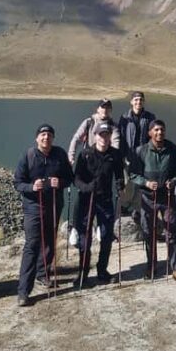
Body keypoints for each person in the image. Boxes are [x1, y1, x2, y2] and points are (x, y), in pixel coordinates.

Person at [13, 124, 73, 307]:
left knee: (49, 242)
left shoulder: (60, 154)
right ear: (37, 138)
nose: (46, 138)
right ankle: (23, 291)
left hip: (54, 205)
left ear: (53, 138)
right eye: (43, 135)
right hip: (33, 207)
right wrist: (32, 187)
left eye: (49, 135)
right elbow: (17, 182)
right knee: (32, 246)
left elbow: (70, 178)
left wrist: (60, 182)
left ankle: (43, 273)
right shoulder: (28, 155)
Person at [128, 119, 176, 284]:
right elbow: (133, 174)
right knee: (149, 233)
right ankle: (152, 265)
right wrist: (146, 183)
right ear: (149, 133)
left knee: (172, 233)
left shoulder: (173, 150)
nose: (159, 133)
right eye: (156, 130)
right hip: (148, 198)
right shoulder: (141, 151)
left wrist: (174, 181)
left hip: (168, 198)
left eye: (162, 130)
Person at [73, 122, 125, 286]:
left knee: (106, 236)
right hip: (86, 200)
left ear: (110, 136)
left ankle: (102, 271)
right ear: (95, 136)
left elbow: (119, 175)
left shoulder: (115, 155)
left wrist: (120, 184)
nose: (104, 138)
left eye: (107, 135)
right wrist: (87, 187)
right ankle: (83, 274)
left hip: (105, 200)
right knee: (85, 239)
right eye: (101, 135)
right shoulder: (85, 154)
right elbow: (76, 179)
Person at [67, 98, 121, 246]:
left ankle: (101, 226)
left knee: (106, 194)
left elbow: (116, 141)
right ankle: (75, 228)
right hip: (87, 162)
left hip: (104, 161)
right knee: (81, 197)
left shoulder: (113, 126)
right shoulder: (88, 122)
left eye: (108, 108)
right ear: (97, 109)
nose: (105, 110)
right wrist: (71, 157)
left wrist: (113, 156)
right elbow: (76, 138)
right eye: (102, 107)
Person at [119, 91, 157, 214]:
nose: (138, 102)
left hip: (144, 157)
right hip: (128, 157)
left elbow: (153, 137)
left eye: (140, 99)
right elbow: (121, 137)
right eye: (136, 100)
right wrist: (122, 156)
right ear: (131, 102)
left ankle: (137, 210)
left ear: (143, 102)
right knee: (128, 183)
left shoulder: (150, 117)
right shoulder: (124, 118)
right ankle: (124, 209)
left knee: (141, 184)